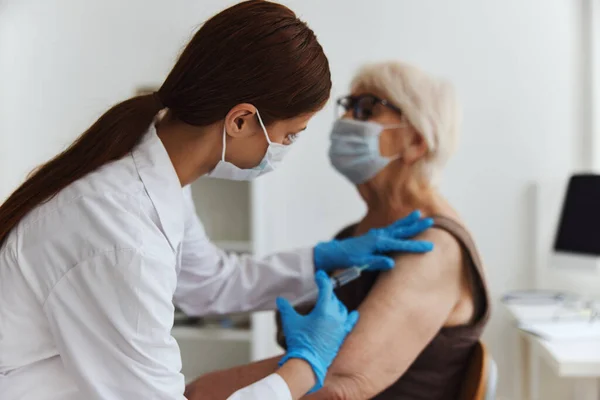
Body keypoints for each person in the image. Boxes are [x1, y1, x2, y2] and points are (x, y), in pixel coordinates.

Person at [0, 3, 437, 400]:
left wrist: (320, 260)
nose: (285, 148)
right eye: (289, 135)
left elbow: (210, 283)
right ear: (241, 120)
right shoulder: (121, 235)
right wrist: (304, 367)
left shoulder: (153, 177)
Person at [184, 61, 491, 400]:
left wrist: (205, 392)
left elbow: (339, 382)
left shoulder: (434, 246)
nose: (345, 121)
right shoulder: (358, 235)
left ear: (417, 140)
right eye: (347, 107)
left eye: (367, 109)